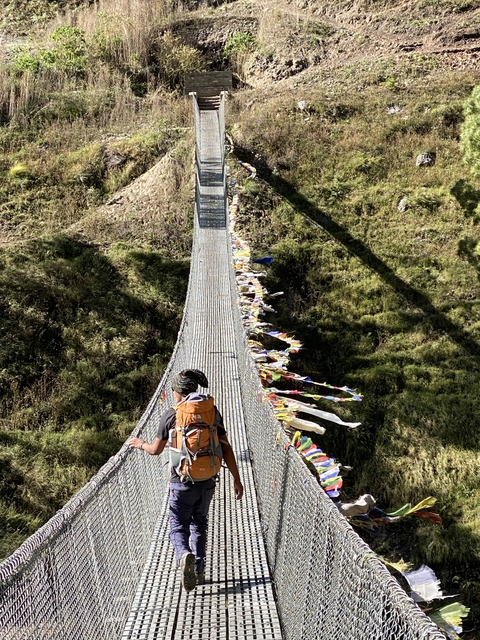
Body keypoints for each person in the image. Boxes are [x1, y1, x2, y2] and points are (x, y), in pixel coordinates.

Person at [129, 369, 244, 592]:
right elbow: (226, 448)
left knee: (178, 525)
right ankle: (199, 571)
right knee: (199, 523)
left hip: (181, 481)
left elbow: (155, 450)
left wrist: (140, 443)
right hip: (208, 480)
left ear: (177, 391)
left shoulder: (172, 415)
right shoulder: (212, 412)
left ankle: (183, 556)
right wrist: (237, 479)